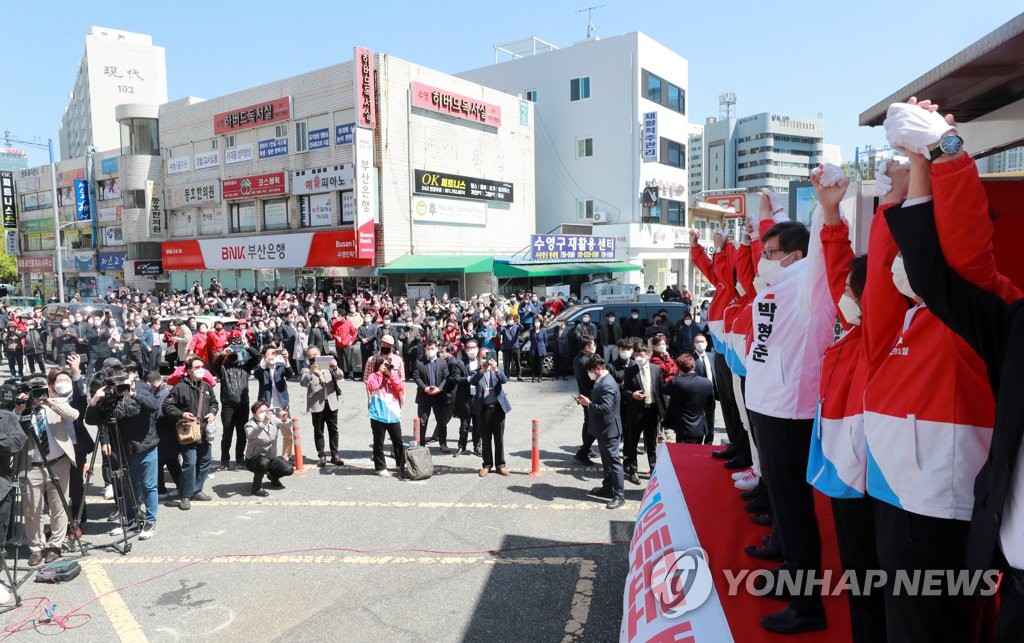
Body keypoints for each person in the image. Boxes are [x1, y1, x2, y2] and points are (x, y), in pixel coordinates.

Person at [86, 369, 161, 539]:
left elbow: (154, 406)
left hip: (146, 447)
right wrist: (96, 399)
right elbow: (93, 420)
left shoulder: (141, 391)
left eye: (123, 384)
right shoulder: (109, 400)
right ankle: (129, 521)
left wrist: (132, 394)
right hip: (124, 450)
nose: (120, 389)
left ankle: (150, 520)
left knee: (149, 486)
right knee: (128, 487)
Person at [14, 376, 78, 566]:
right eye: (34, 390)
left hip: (58, 463)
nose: (37, 394)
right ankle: (36, 548)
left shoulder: (56, 402)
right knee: (32, 509)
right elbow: (10, 426)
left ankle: (55, 545)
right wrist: (19, 408)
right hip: (31, 466)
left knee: (59, 506)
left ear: (48, 388)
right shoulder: (21, 408)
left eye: (41, 388)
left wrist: (49, 402)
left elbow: (73, 414)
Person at [162, 356, 219, 511]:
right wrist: (182, 414)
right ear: (188, 371)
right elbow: (167, 407)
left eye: (202, 366)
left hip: (204, 431)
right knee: (190, 462)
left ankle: (196, 489)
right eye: (196, 367)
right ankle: (185, 495)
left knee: (206, 460)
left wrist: (213, 412)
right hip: (187, 432)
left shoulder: (206, 386)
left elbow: (214, 403)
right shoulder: (180, 387)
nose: (201, 369)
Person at [575, 356, 625, 509]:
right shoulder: (601, 380)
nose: (590, 374)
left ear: (597, 368)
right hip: (603, 429)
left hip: (609, 430)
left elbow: (606, 408)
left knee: (614, 462)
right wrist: (587, 401)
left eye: (591, 371)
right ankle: (607, 489)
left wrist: (588, 404)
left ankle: (619, 495)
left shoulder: (608, 384)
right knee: (606, 461)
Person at [621, 344, 664, 485]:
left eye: (642, 354)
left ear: (648, 354)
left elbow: (661, 389)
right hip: (636, 412)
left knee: (651, 443)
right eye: (637, 355)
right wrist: (632, 394)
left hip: (652, 411)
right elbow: (624, 390)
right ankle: (632, 471)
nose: (639, 357)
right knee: (632, 442)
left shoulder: (656, 369)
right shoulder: (630, 371)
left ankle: (654, 470)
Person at [300, 346, 344, 467]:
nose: (313, 357)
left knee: (333, 430)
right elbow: (303, 383)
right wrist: (310, 371)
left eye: (315, 354)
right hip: (316, 404)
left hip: (331, 402)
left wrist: (335, 366)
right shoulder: (306, 369)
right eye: (310, 356)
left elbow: (340, 376)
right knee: (318, 431)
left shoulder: (327, 366)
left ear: (320, 355)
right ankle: (322, 456)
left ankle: (335, 455)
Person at [470, 347, 511, 477]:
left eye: (487, 356)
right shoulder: (476, 372)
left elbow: (504, 379)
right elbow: (472, 381)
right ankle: (487, 464)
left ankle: (500, 465)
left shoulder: (496, 369)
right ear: (478, 358)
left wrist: (496, 368)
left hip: (498, 408)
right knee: (486, 439)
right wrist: (482, 370)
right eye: (482, 357)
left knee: (499, 438)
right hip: (484, 409)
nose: (485, 359)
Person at [365, 354, 406, 477]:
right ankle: (380, 467)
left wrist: (391, 375)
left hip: (393, 413)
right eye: (383, 364)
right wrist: (379, 373)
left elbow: (400, 387)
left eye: (386, 364)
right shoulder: (373, 376)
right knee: (379, 442)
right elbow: (372, 386)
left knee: (398, 440)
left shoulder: (392, 376)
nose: (385, 367)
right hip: (378, 413)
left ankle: (400, 464)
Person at [243, 401, 294, 496]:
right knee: (263, 462)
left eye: (266, 411)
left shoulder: (273, 419)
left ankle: (273, 476)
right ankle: (256, 488)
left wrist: (284, 419)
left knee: (289, 469)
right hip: (254, 460)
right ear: (254, 414)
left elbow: (286, 425)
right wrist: (263, 423)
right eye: (261, 412)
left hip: (270, 457)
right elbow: (250, 435)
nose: (265, 414)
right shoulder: (250, 425)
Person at [662, 354, 715, 445]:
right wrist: (704, 410)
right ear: (693, 366)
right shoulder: (706, 382)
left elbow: (662, 389)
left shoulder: (677, 382)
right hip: (699, 426)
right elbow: (711, 404)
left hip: (683, 427)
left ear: (679, 368)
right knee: (697, 453)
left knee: (683, 455)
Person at [414, 339, 450, 453]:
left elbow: (446, 377)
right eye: (428, 348)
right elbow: (416, 377)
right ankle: (422, 443)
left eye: (433, 348)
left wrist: (439, 388)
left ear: (437, 349)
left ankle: (443, 443)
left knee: (441, 421)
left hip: (438, 396)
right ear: (425, 349)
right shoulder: (419, 362)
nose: (430, 351)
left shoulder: (442, 362)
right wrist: (425, 388)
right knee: (423, 420)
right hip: (424, 395)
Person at [447, 340, 481, 457]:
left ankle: (477, 446)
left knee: (478, 424)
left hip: (478, 398)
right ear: (465, 350)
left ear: (477, 348)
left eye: (474, 347)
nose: (472, 350)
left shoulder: (482, 362)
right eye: (469, 348)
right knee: (464, 426)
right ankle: (462, 446)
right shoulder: (460, 363)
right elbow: (454, 378)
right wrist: (468, 379)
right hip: (465, 398)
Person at [573, 339, 598, 465]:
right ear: (587, 347)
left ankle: (587, 448)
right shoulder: (584, 361)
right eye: (593, 345)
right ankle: (585, 450)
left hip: (585, 394)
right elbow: (591, 380)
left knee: (588, 422)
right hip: (588, 395)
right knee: (589, 423)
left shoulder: (579, 358)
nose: (595, 347)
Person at [690, 334, 716, 442]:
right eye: (697, 342)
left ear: (707, 343)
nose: (700, 344)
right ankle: (698, 444)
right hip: (698, 395)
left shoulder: (712, 356)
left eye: (702, 341)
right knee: (699, 421)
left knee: (710, 422)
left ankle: (709, 443)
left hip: (711, 393)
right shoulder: (690, 358)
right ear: (694, 344)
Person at [254, 345, 292, 414]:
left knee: (284, 423)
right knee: (268, 423)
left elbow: (289, 374)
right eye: (269, 354)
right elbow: (256, 374)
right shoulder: (262, 368)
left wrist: (286, 360)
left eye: (274, 353)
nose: (272, 356)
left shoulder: (280, 365)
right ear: (264, 356)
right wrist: (265, 360)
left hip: (281, 402)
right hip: (266, 403)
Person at [499, 316, 523, 381]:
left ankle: (519, 375)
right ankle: (507, 375)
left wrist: (519, 323)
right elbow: (499, 330)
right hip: (507, 347)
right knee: (506, 362)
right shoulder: (504, 328)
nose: (510, 321)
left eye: (511, 319)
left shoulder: (517, 327)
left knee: (517, 362)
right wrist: (500, 324)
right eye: (509, 320)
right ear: (507, 321)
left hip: (515, 347)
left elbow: (521, 328)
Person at [527, 317, 547, 383]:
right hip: (533, 349)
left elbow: (545, 340)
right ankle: (533, 377)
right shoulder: (531, 330)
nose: (537, 323)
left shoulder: (543, 330)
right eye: (535, 322)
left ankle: (540, 377)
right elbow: (531, 339)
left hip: (541, 349)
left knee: (540, 364)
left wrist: (543, 348)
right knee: (533, 364)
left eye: (538, 322)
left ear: (540, 322)